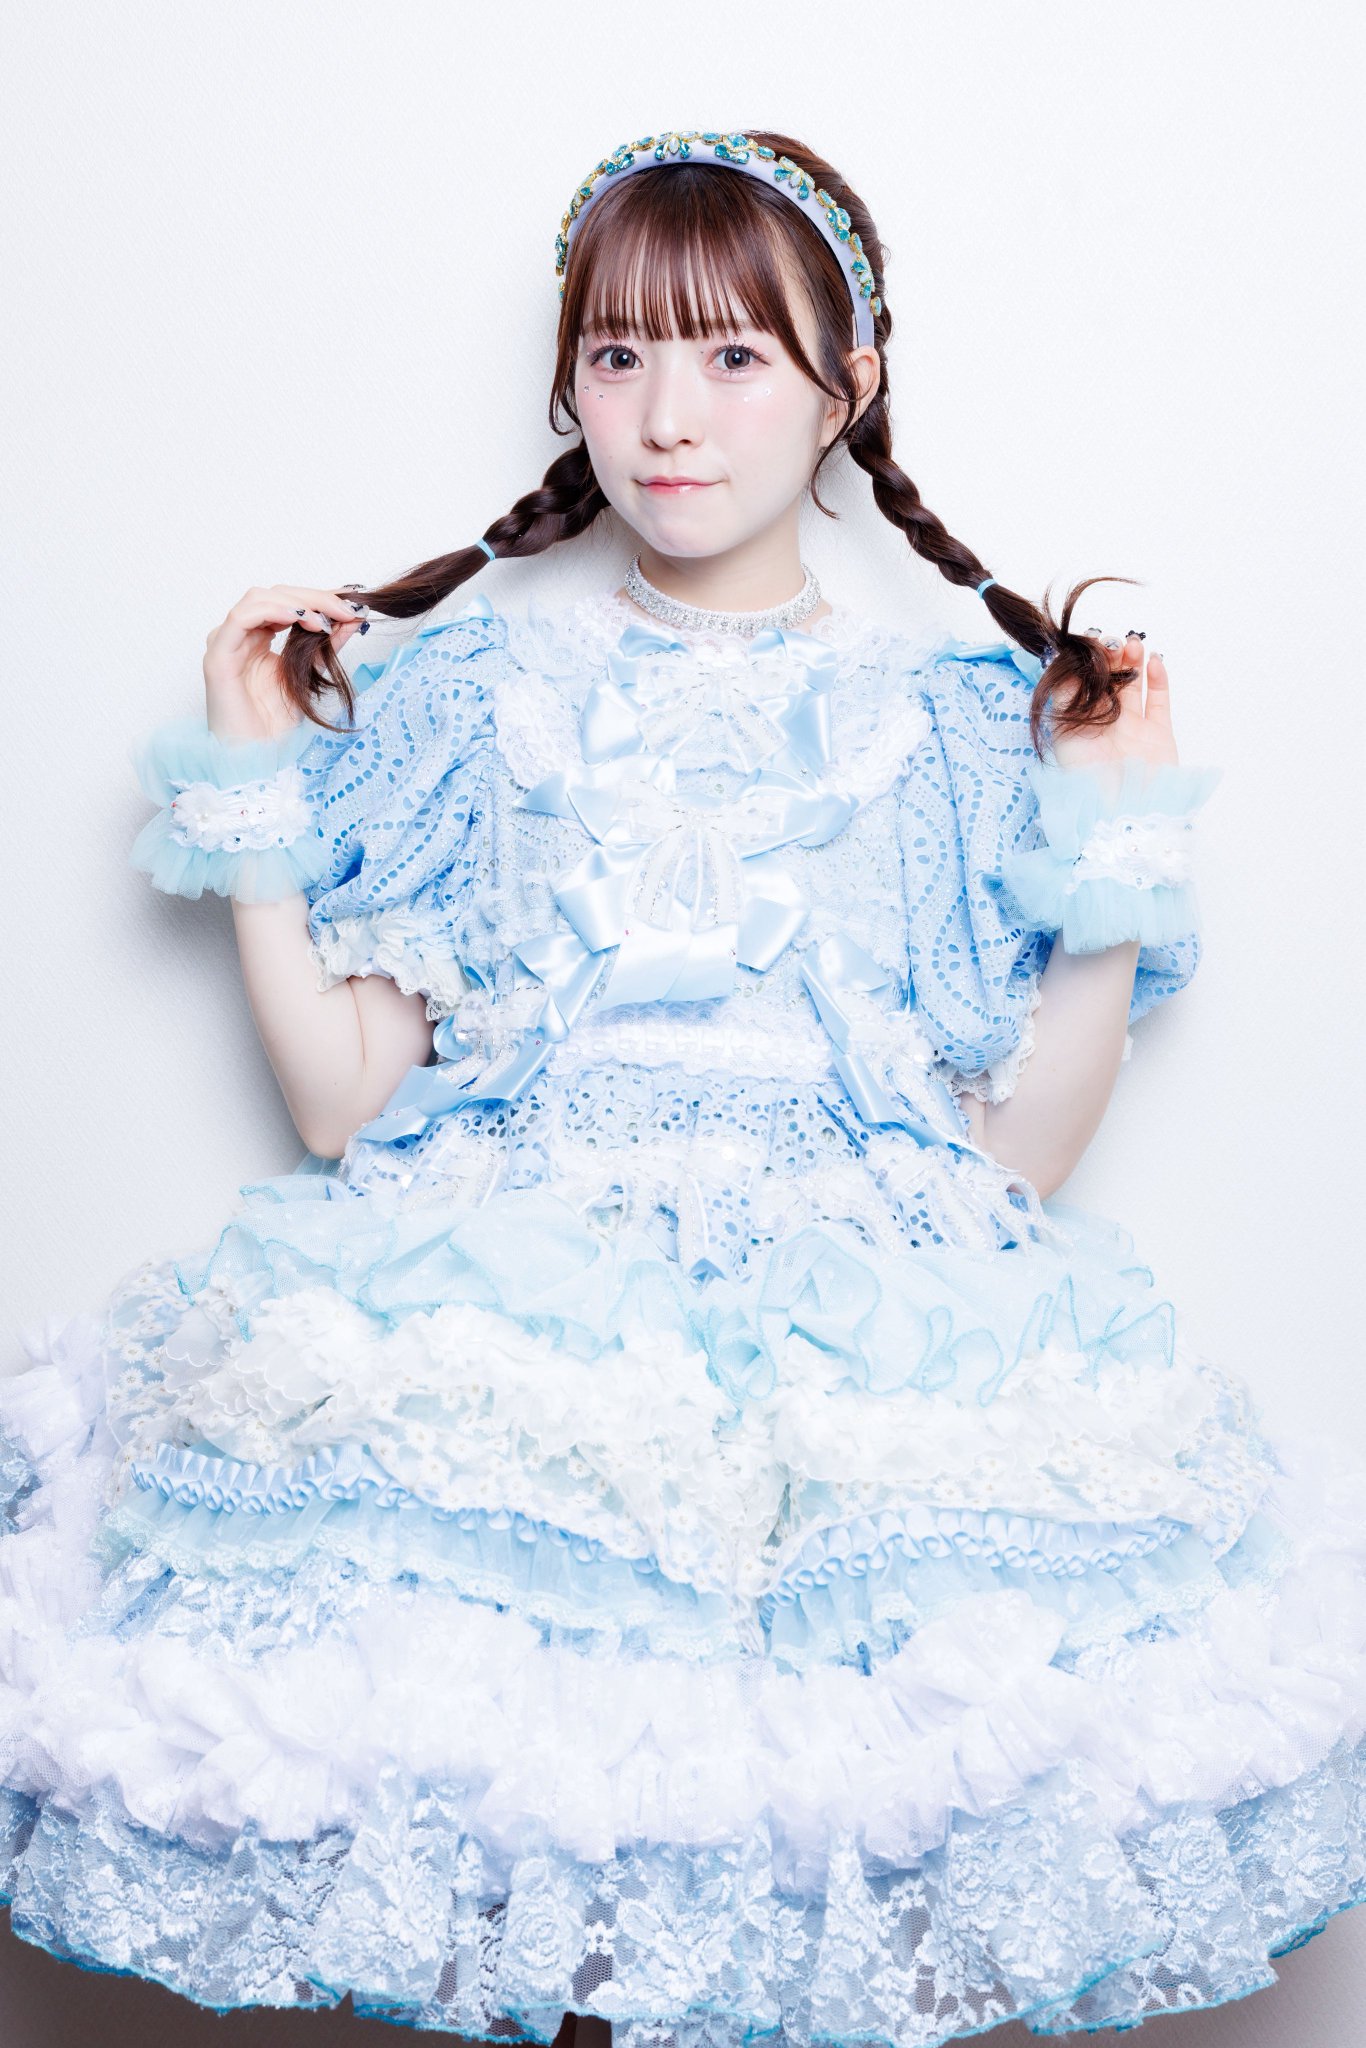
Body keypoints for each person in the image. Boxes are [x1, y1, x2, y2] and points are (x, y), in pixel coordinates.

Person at [2, 126, 1363, 2048]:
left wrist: (1109, 839)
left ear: (846, 388)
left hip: (846, 1380)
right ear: (568, 383)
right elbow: (342, 1110)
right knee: (539, 1875)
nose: (666, 415)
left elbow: (1016, 1165)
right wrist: (259, 796)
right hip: (517, 1354)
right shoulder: (473, 700)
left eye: (734, 356)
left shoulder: (950, 731)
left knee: (810, 1869)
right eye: (621, 352)